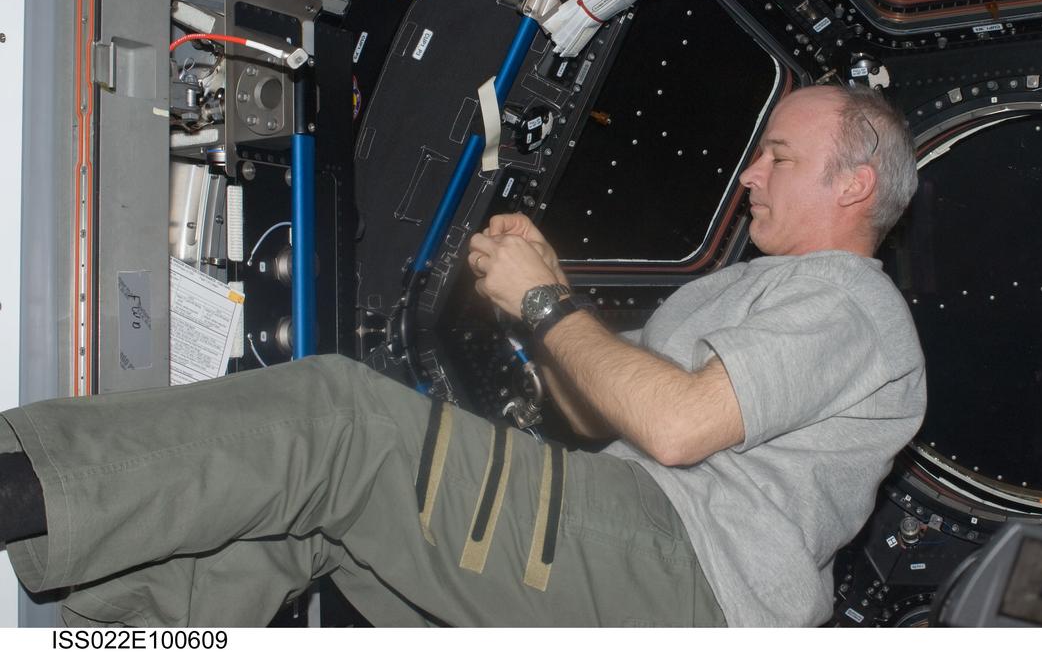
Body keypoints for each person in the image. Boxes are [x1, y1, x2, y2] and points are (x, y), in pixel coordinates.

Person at [0, 83, 925, 627]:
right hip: (650, 555)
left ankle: (17, 483)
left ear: (855, 184)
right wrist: (542, 299)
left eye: (779, 158)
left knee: (340, 422)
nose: (752, 175)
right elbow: (601, 407)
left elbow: (677, 428)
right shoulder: (739, 291)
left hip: (692, 575)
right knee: (316, 517)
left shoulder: (852, 301)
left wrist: (543, 297)